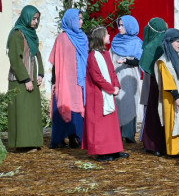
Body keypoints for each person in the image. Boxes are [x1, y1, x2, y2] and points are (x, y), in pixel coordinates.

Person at [83, 26, 128, 162]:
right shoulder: (92, 56)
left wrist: (117, 85)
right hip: (98, 95)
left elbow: (112, 72)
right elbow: (97, 77)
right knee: (100, 125)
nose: (109, 36)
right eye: (107, 34)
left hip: (108, 93)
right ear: (101, 38)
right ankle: (101, 152)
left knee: (111, 124)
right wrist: (110, 88)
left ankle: (114, 149)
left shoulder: (106, 54)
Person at [6, 5, 45, 152]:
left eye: (37, 18)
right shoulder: (17, 34)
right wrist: (26, 79)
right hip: (20, 81)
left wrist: (40, 74)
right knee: (22, 112)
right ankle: (22, 145)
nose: (36, 21)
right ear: (26, 17)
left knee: (32, 112)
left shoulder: (31, 34)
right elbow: (15, 59)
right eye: (33, 18)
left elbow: (37, 54)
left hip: (31, 78)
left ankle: (32, 142)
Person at [49, 9, 87, 149]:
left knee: (78, 107)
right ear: (71, 20)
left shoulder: (83, 37)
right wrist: (53, 81)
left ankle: (75, 137)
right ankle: (59, 139)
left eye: (82, 19)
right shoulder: (61, 38)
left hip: (79, 80)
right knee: (63, 105)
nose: (81, 21)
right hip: (64, 80)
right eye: (79, 19)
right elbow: (55, 62)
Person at [139, 17, 168, 155]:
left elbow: (146, 67)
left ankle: (153, 144)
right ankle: (166, 144)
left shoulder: (150, 48)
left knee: (153, 111)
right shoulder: (169, 42)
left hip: (153, 82)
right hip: (168, 83)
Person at [111, 15, 142, 143]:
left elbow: (140, 60)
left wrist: (127, 60)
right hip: (116, 76)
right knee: (118, 103)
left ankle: (129, 134)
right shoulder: (115, 41)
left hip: (130, 77)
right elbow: (110, 57)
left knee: (130, 103)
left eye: (122, 25)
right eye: (119, 25)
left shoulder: (136, 42)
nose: (119, 28)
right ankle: (117, 133)